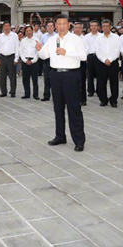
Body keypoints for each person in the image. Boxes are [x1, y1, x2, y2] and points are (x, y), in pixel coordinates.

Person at [36, 15, 86, 151]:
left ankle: (79, 140)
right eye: (59, 24)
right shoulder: (52, 40)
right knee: (58, 107)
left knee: (74, 108)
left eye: (64, 23)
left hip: (71, 75)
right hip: (55, 75)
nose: (62, 26)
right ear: (55, 26)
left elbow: (83, 56)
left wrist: (66, 52)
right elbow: (44, 56)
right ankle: (60, 136)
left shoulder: (76, 39)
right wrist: (40, 49)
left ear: (69, 25)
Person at [95, 19, 121, 108]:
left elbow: (117, 50)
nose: (105, 28)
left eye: (107, 26)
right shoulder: (98, 38)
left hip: (113, 63)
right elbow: (97, 51)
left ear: (110, 27)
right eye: (104, 26)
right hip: (102, 63)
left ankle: (113, 100)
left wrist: (110, 59)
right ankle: (103, 99)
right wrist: (104, 59)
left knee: (114, 82)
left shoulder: (116, 37)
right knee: (101, 82)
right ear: (101, 28)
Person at [0, 21, 19, 98]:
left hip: (11, 57)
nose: (7, 27)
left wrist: (16, 59)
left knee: (12, 76)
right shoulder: (0, 36)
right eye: (5, 26)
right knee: (2, 76)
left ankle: (12, 92)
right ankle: (3, 91)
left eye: (8, 26)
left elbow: (17, 47)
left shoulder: (14, 35)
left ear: (10, 27)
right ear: (3, 27)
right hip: (2, 57)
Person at [19, 26, 39, 99]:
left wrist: (33, 61)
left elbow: (38, 52)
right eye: (27, 31)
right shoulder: (23, 41)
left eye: (30, 30)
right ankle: (27, 93)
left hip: (34, 61)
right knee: (25, 79)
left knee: (35, 79)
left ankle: (35, 94)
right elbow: (21, 51)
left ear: (32, 31)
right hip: (25, 61)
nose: (28, 32)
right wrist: (25, 60)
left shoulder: (36, 40)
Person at [39, 21, 55, 101]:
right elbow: (41, 47)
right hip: (46, 59)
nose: (49, 27)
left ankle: (56, 95)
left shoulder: (57, 36)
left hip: (55, 59)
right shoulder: (43, 36)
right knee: (46, 78)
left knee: (55, 78)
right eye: (48, 26)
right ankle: (46, 95)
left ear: (54, 27)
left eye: (51, 26)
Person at [83, 20, 99, 98]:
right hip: (90, 56)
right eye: (92, 26)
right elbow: (85, 47)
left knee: (100, 75)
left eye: (95, 25)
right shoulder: (86, 36)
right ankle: (90, 90)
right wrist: (86, 56)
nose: (93, 27)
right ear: (90, 27)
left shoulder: (101, 36)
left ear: (98, 27)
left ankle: (99, 90)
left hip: (100, 57)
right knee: (90, 74)